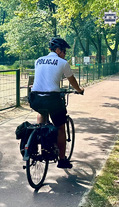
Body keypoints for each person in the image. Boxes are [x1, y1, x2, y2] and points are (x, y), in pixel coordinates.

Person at [29, 37, 84, 169]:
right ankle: (62, 160)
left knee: (41, 112)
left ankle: (40, 134)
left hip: (35, 98)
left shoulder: (38, 60)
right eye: (64, 51)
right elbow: (72, 80)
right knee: (60, 127)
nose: (65, 54)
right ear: (58, 50)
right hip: (52, 98)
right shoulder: (62, 62)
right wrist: (79, 90)